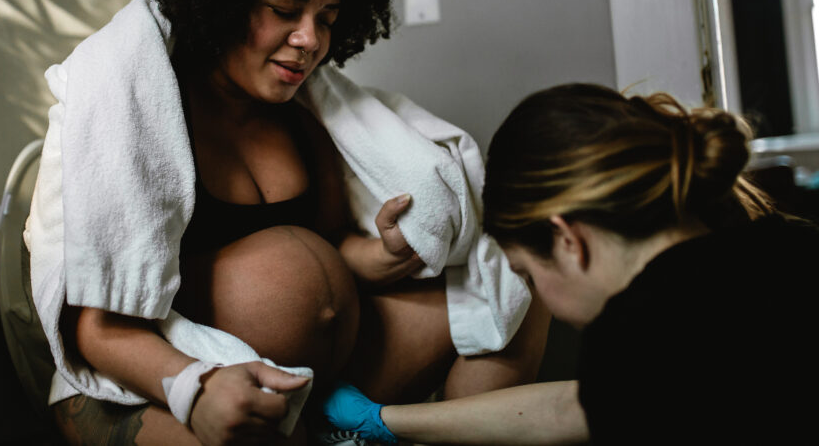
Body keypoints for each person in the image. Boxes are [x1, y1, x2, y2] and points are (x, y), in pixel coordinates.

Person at [27, 0, 549, 446]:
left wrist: (381, 254)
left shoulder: (304, 118)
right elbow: (99, 324)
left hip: (332, 374)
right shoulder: (140, 113)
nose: (311, 40)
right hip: (179, 375)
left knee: (516, 283)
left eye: (326, 19)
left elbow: (326, 244)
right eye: (285, 7)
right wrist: (194, 389)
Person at [323, 83, 819, 445]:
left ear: (567, 239)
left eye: (527, 273)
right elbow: (577, 406)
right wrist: (383, 419)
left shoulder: (638, 329)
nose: (550, 306)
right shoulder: (785, 244)